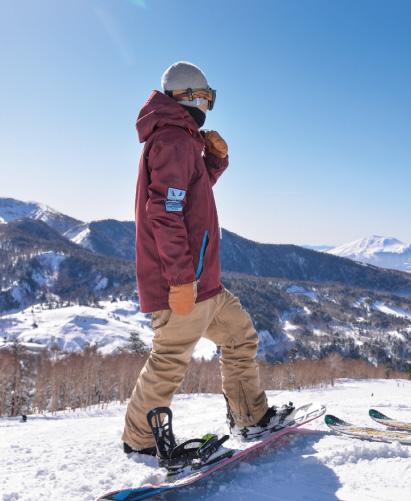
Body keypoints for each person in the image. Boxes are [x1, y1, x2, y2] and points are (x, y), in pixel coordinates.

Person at [122, 61, 294, 458]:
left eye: (210, 99)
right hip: (184, 282)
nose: (206, 107)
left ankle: (250, 416)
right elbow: (164, 212)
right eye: (203, 98)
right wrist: (181, 278)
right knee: (169, 360)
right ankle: (140, 441)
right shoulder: (173, 141)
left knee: (239, 337)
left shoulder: (184, 141)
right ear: (183, 98)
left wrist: (213, 162)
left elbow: (191, 196)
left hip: (204, 282)